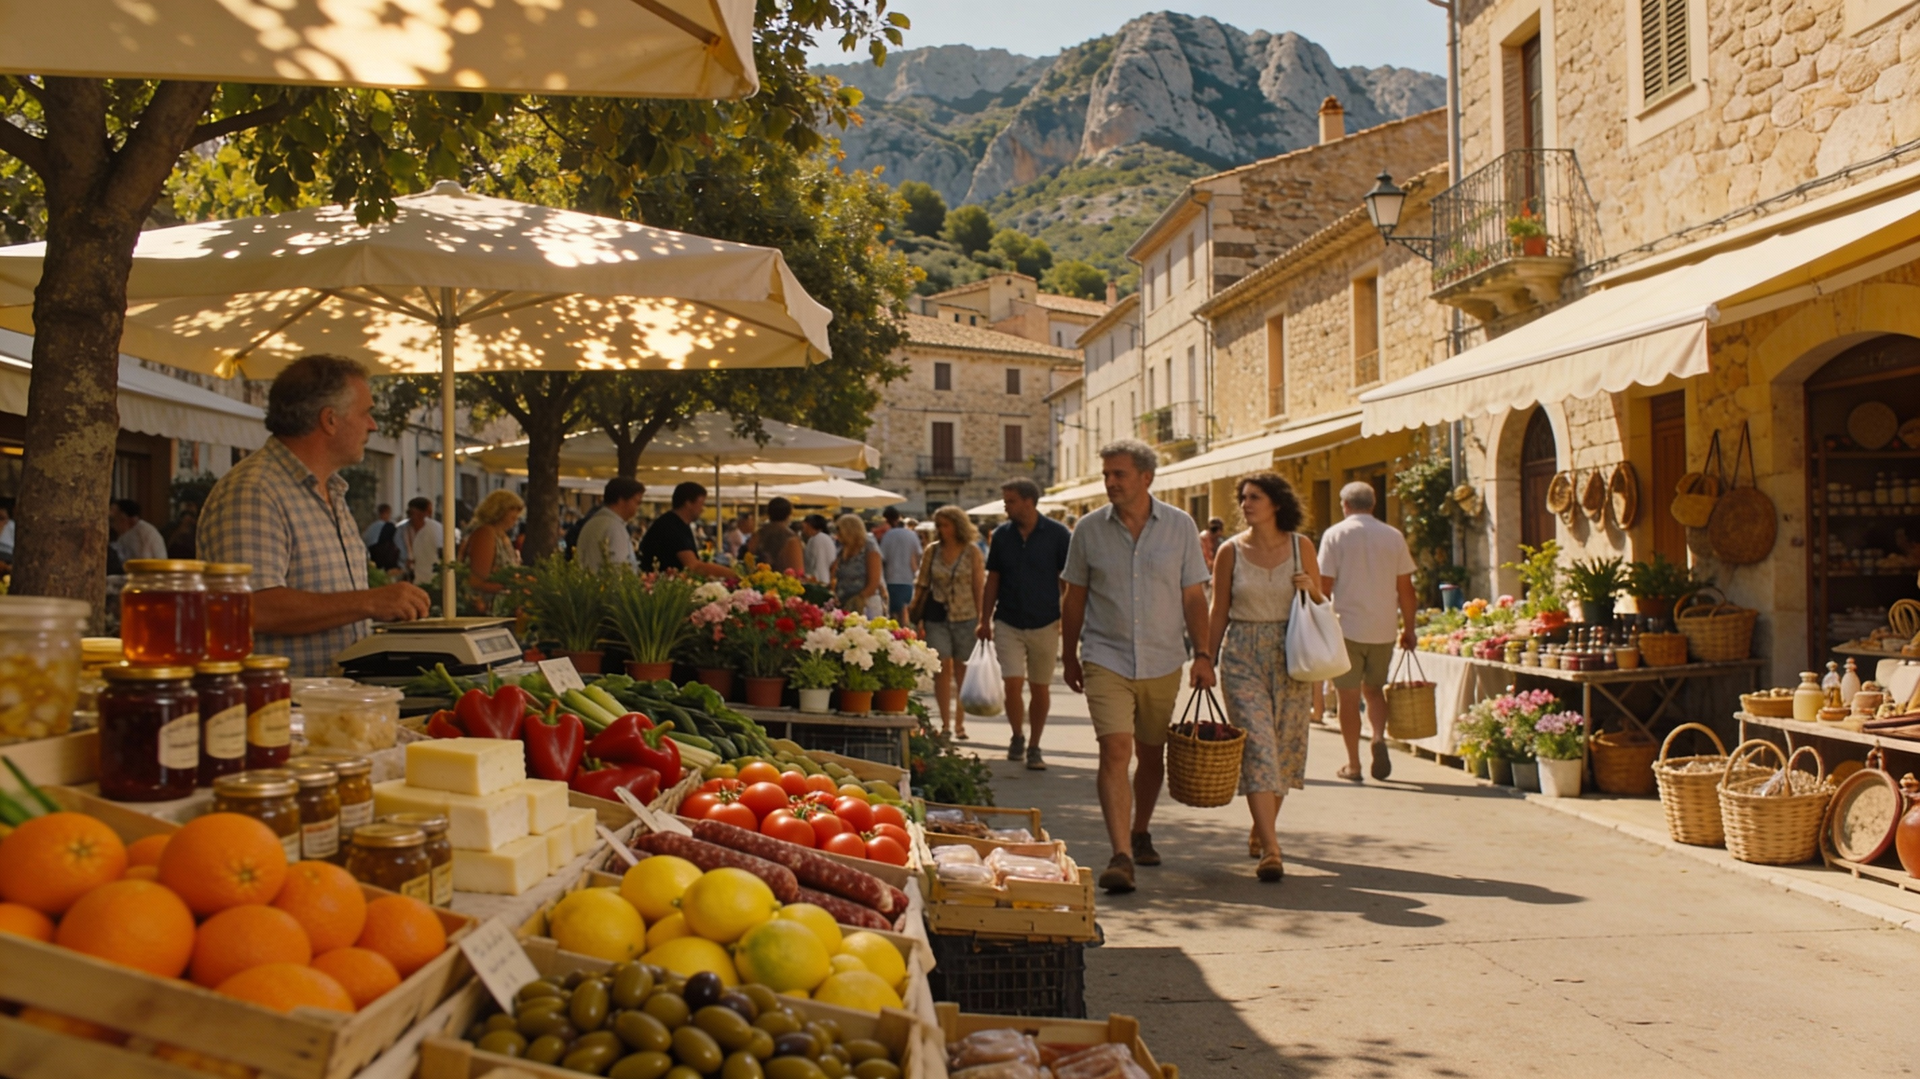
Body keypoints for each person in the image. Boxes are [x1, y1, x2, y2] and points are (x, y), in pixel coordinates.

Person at [198, 354, 430, 676]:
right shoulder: (254, 491)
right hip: (279, 711)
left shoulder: (330, 491)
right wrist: (370, 602)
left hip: (329, 706)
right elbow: (251, 608)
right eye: (366, 413)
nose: (372, 425)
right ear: (330, 420)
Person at [1062, 440, 1212, 895]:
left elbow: (1193, 596)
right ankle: (1121, 854)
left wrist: (1203, 655)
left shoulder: (1181, 526)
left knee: (1151, 755)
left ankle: (1141, 829)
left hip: (1164, 657)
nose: (1109, 482)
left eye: (1119, 474)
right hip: (1105, 655)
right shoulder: (1088, 530)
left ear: (1146, 478)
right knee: (1115, 751)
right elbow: (1075, 597)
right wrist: (1069, 653)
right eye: (1106, 474)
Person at [1204, 473, 1324, 882]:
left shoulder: (1300, 546)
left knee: (1284, 748)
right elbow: (1218, 609)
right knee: (1258, 745)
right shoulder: (1229, 552)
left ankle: (1262, 824)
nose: (1245, 504)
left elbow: (1321, 604)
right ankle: (1272, 850)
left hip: (1291, 652)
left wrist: (1313, 588)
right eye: (1243, 498)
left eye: (1254, 497)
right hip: (1241, 653)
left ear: (1275, 503)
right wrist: (1205, 657)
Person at [1318, 481, 1419, 782]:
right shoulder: (1393, 536)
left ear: (1344, 505)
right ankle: (1377, 736)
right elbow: (1407, 590)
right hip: (1384, 628)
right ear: (1373, 505)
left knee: (1347, 697)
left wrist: (1320, 626)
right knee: (1374, 691)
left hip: (1347, 627)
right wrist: (1409, 629)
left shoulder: (1335, 535)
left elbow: (1324, 586)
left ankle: (1354, 765)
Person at [978, 477, 1071, 771]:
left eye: (1011, 501)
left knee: (1040, 686)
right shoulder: (1002, 535)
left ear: (1029, 502)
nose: (1006, 506)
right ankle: (1017, 735)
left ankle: (1034, 745)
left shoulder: (1057, 535)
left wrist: (1066, 619)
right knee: (1012, 682)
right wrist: (984, 619)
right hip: (1008, 620)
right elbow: (993, 578)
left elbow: (1066, 580)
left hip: (1045, 621)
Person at [913, 506, 985, 739]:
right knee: (941, 669)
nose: (941, 530)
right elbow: (922, 583)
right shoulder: (931, 551)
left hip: (966, 616)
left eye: (945, 525)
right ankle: (945, 724)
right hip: (937, 615)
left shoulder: (971, 551)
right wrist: (915, 611)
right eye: (939, 525)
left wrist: (983, 618)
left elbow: (978, 585)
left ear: (957, 525)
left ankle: (960, 723)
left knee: (963, 671)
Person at [638, 482, 734, 577]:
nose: (702, 509)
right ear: (688, 504)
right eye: (701, 504)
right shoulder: (672, 526)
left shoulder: (677, 523)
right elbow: (693, 566)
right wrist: (734, 575)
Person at [461, 489, 524, 613]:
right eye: (513, 512)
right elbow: (476, 581)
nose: (516, 518)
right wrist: (512, 587)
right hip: (487, 610)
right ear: (499, 511)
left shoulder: (502, 536)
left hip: (502, 608)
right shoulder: (485, 534)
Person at [577, 478, 645, 574]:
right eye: (637, 502)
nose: (637, 508)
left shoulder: (591, 523)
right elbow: (619, 570)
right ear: (621, 500)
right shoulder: (614, 528)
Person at [830, 513, 886, 617]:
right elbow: (834, 574)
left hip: (866, 604)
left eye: (839, 530)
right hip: (844, 604)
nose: (837, 534)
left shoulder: (869, 547)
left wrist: (857, 600)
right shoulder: (842, 549)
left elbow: (874, 582)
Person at [874, 506, 920, 620]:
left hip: (891, 579)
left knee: (894, 615)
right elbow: (919, 554)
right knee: (905, 613)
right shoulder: (912, 535)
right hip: (909, 579)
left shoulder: (888, 535)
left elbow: (882, 558)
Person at [746, 497, 806, 575]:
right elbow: (798, 571)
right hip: (782, 584)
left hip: (756, 583)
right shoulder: (792, 539)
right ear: (789, 515)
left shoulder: (757, 535)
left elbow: (748, 563)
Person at [399, 497, 444, 584]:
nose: (412, 517)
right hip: (415, 579)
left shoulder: (435, 529)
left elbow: (442, 552)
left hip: (433, 578)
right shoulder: (404, 531)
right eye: (410, 514)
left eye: (414, 514)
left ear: (423, 514)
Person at [109, 499, 168, 563]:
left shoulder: (146, 532)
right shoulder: (122, 536)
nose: (111, 525)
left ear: (124, 518)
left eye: (113, 519)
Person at [801, 513, 837, 585]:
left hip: (817, 580)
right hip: (824, 578)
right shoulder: (824, 538)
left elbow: (816, 562)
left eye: (804, 526)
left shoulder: (816, 539)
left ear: (810, 525)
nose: (803, 530)